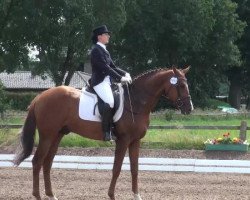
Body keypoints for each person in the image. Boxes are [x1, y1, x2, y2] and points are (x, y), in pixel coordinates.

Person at [90, 25, 132, 141]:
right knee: (110, 102)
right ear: (99, 37)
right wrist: (120, 78)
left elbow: (113, 66)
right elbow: (105, 68)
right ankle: (106, 132)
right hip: (99, 82)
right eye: (106, 34)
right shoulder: (96, 51)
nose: (108, 36)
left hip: (107, 82)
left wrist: (125, 73)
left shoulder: (104, 50)